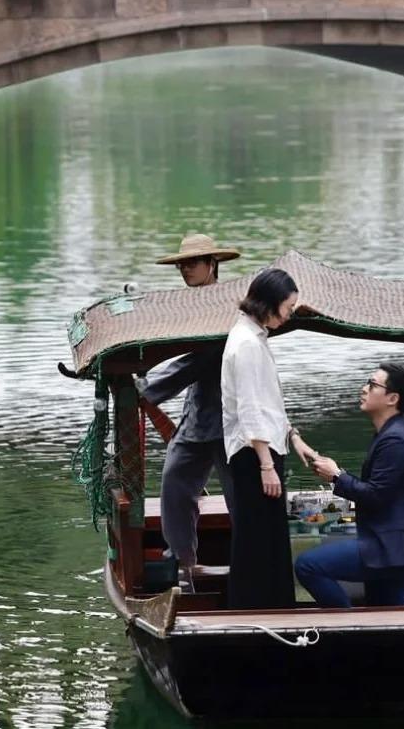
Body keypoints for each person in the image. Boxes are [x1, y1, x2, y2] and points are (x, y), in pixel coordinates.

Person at [138, 233, 240, 585]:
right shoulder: (186, 305)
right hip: (196, 414)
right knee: (175, 482)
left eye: (192, 263)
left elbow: (201, 359)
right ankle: (181, 564)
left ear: (212, 265)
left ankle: (253, 564)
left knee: (240, 496)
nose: (185, 270)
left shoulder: (229, 305)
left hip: (232, 419)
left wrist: (148, 389)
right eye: (181, 264)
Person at [221, 267, 317, 609]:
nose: (290, 314)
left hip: (263, 449)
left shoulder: (254, 336)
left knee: (270, 538)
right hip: (253, 454)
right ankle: (253, 612)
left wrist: (293, 437)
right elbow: (249, 409)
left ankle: (275, 608)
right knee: (256, 539)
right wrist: (265, 464)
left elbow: (269, 401)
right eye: (288, 307)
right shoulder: (246, 343)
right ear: (271, 304)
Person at [296, 362, 404, 608]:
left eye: (372, 384)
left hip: (389, 551)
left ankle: (347, 625)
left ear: (392, 398)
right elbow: (381, 489)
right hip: (396, 550)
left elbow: (376, 495)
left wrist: (337, 477)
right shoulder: (390, 433)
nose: (364, 388)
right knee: (386, 624)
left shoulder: (395, 439)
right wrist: (337, 474)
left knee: (307, 565)